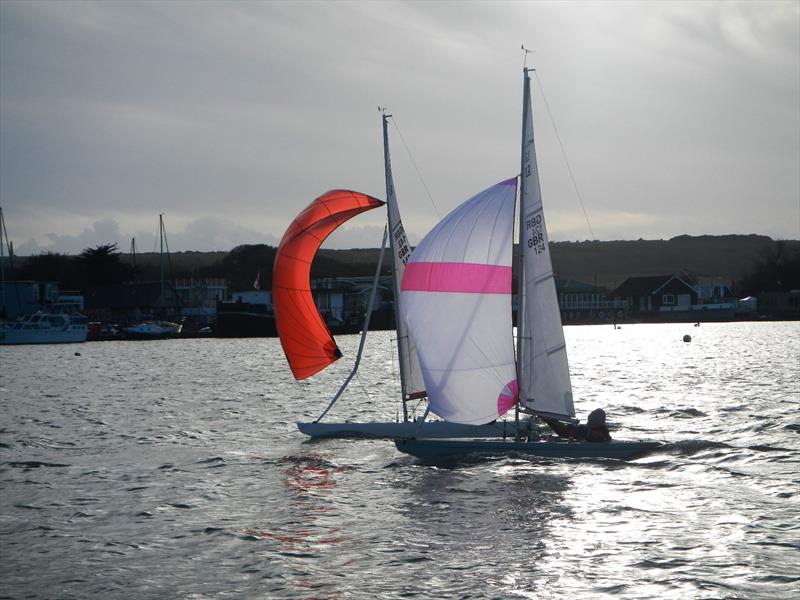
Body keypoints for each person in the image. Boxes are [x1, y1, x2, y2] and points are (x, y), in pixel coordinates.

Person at [542, 408, 612, 443]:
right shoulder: (594, 429)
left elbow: (568, 432)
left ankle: (550, 420)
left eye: (590, 421)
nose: (588, 423)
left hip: (573, 433)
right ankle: (551, 421)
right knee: (563, 427)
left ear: (598, 422)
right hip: (573, 432)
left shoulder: (598, 433)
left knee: (565, 428)